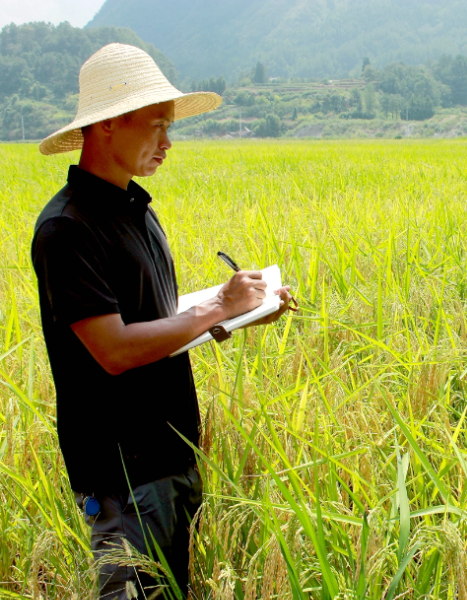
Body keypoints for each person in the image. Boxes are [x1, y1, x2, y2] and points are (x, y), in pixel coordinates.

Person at [30, 44, 296, 599]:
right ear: (106, 125)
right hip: (123, 472)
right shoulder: (67, 229)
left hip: (172, 450)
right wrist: (218, 307)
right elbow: (115, 349)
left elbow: (159, 321)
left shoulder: (137, 213)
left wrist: (245, 312)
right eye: (155, 125)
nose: (168, 143)